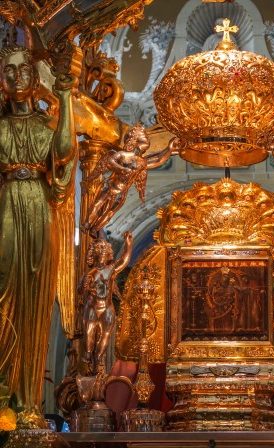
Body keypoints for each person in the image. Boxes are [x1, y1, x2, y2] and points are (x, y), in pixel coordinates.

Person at [0, 46, 77, 427]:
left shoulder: (45, 125)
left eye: (24, 71)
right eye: (8, 71)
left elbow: (64, 152)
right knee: (5, 294)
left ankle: (27, 403)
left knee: (35, 300)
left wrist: (64, 95)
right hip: (6, 206)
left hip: (39, 205)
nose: (17, 78)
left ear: (35, 79)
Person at [83, 123, 171, 236]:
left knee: (109, 213)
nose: (147, 141)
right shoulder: (123, 155)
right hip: (111, 186)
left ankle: (95, 228)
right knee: (97, 204)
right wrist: (122, 169)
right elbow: (110, 161)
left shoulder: (142, 162)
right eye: (144, 139)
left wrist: (170, 148)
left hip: (122, 193)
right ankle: (87, 223)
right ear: (134, 141)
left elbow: (158, 160)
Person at [80, 232, 133, 374]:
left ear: (108, 255)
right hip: (92, 308)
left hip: (107, 308)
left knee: (105, 337)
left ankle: (99, 360)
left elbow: (123, 261)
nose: (102, 256)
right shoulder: (90, 274)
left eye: (105, 253)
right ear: (95, 256)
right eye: (100, 253)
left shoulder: (110, 270)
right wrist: (87, 287)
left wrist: (128, 244)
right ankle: (88, 360)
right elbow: (81, 290)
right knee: (88, 341)